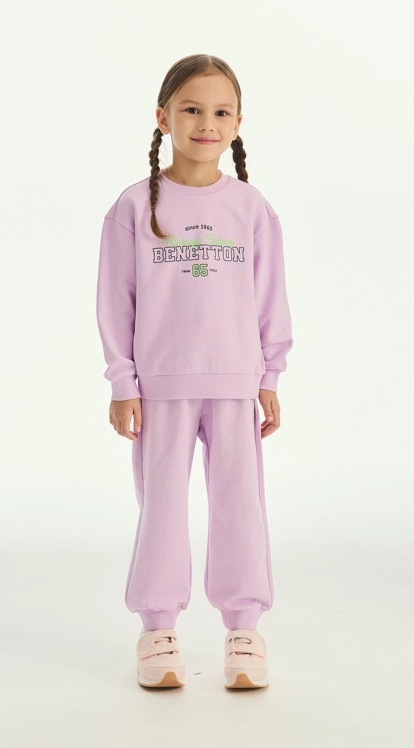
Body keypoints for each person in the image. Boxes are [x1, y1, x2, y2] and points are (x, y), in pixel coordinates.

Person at [96, 54, 294, 689]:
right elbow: (115, 301)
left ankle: (244, 629)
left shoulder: (252, 208)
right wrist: (123, 382)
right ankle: (157, 628)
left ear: (237, 123)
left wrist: (269, 376)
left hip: (235, 384)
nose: (206, 123)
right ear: (163, 118)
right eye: (191, 109)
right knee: (162, 507)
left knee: (240, 507)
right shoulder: (133, 207)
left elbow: (270, 297)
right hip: (161, 387)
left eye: (220, 112)